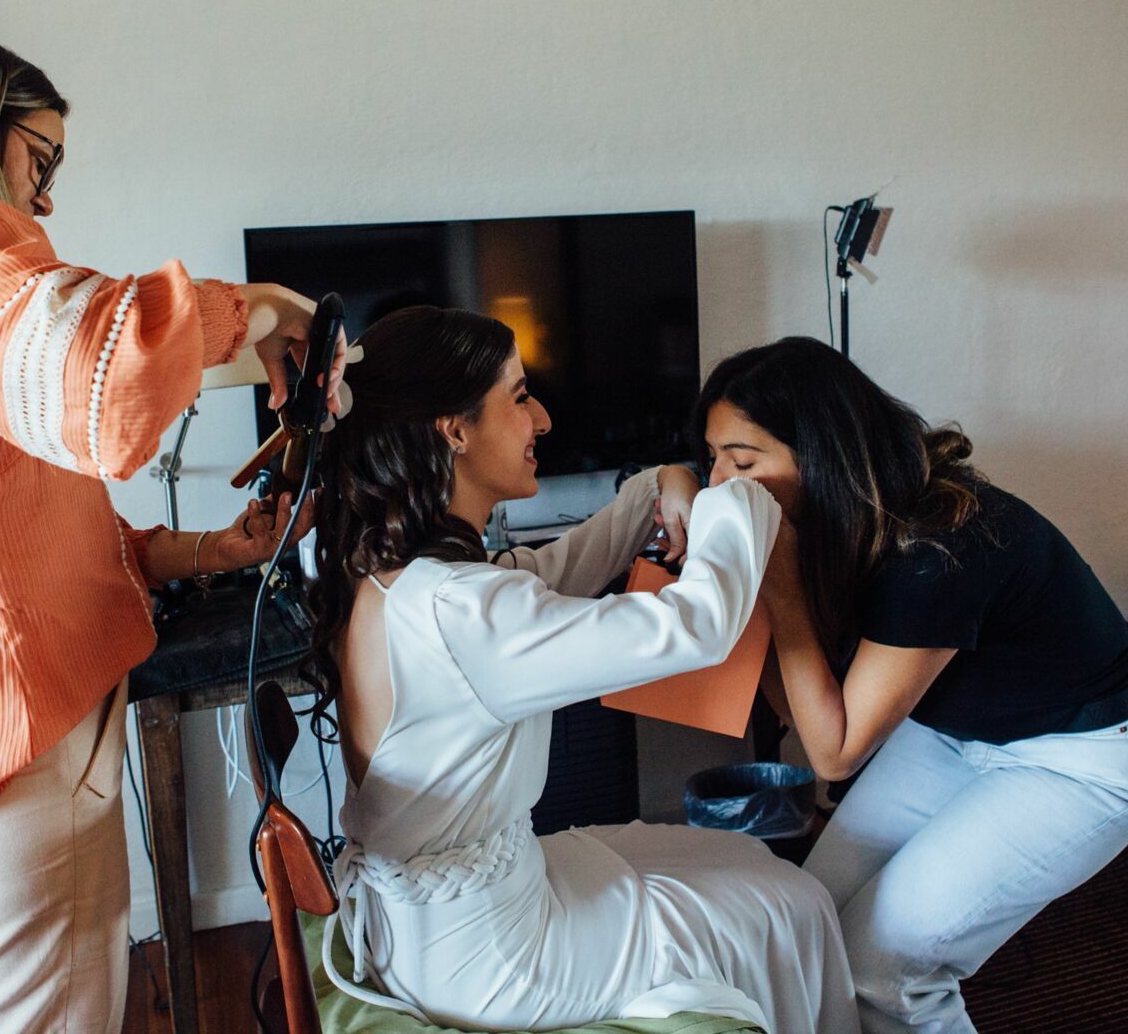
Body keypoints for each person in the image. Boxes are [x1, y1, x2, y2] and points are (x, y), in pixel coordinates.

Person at [0, 32, 342, 1033]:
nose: (44, 203)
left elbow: (6, 543)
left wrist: (208, 550)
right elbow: (111, 380)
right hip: (1, 769)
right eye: (36, 161)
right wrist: (252, 310)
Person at [306, 306, 859, 1033]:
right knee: (791, 905)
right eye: (519, 396)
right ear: (455, 430)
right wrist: (739, 490)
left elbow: (559, 567)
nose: (542, 420)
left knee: (752, 864)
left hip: (445, 917)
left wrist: (664, 482)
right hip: (495, 957)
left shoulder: (397, 575)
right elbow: (697, 626)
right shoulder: (465, 612)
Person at [695, 337, 1128, 1034]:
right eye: (712, 458)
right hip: (957, 734)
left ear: (824, 456)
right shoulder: (836, 521)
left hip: (1084, 755)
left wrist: (782, 592)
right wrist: (683, 501)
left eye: (740, 462)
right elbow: (801, 710)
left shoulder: (937, 549)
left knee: (881, 971)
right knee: (807, 923)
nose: (719, 485)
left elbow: (834, 755)